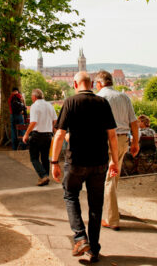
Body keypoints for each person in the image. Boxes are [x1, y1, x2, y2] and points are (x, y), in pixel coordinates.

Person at [51, 72, 119, 264]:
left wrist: (53, 162)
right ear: (91, 84)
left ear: (75, 84)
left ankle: (80, 238)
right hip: (99, 163)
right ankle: (94, 249)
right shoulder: (102, 103)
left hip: (76, 162)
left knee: (71, 195)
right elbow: (112, 135)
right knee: (96, 206)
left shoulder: (70, 102)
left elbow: (59, 135)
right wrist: (114, 160)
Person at [95, 70, 139, 231]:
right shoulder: (124, 96)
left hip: (105, 141)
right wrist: (136, 142)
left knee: (107, 179)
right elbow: (134, 122)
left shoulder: (99, 98)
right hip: (123, 140)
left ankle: (111, 219)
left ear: (99, 83)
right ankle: (112, 209)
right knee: (114, 177)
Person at [22, 89, 56, 186]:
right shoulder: (50, 105)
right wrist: (54, 131)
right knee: (45, 157)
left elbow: (33, 122)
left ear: (34, 97)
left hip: (37, 134)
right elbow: (55, 121)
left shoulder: (34, 106)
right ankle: (46, 176)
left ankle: (43, 176)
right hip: (48, 135)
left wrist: (26, 133)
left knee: (34, 158)